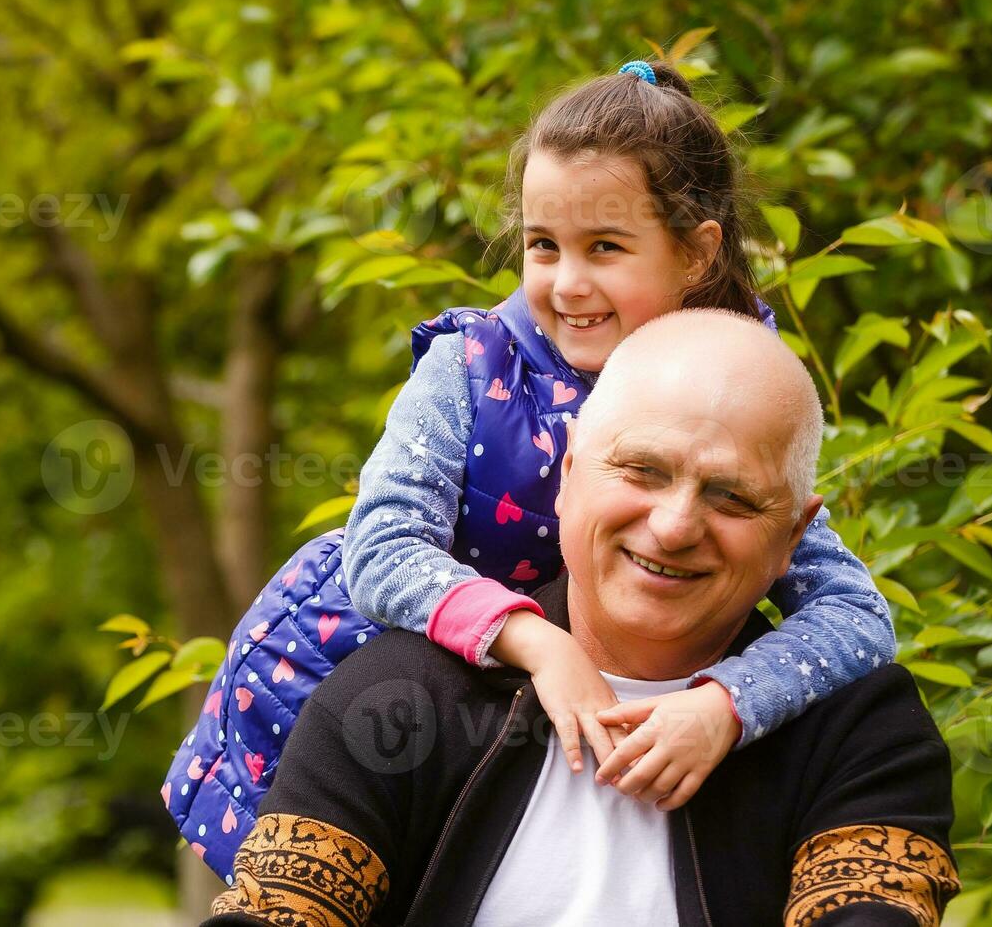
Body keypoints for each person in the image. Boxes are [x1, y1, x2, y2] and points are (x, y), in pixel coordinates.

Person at [165, 60, 896, 879]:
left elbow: (856, 615)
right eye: (543, 245)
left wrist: (729, 704)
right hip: (352, 673)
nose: (567, 283)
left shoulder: (734, 398)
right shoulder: (473, 366)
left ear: (695, 254)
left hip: (539, 734)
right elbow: (381, 548)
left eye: (606, 248)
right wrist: (543, 647)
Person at [207, 309, 959, 926]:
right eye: (642, 471)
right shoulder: (399, 696)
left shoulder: (858, 729)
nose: (672, 527)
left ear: (793, 537)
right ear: (566, 477)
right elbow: (276, 914)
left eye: (731, 496)